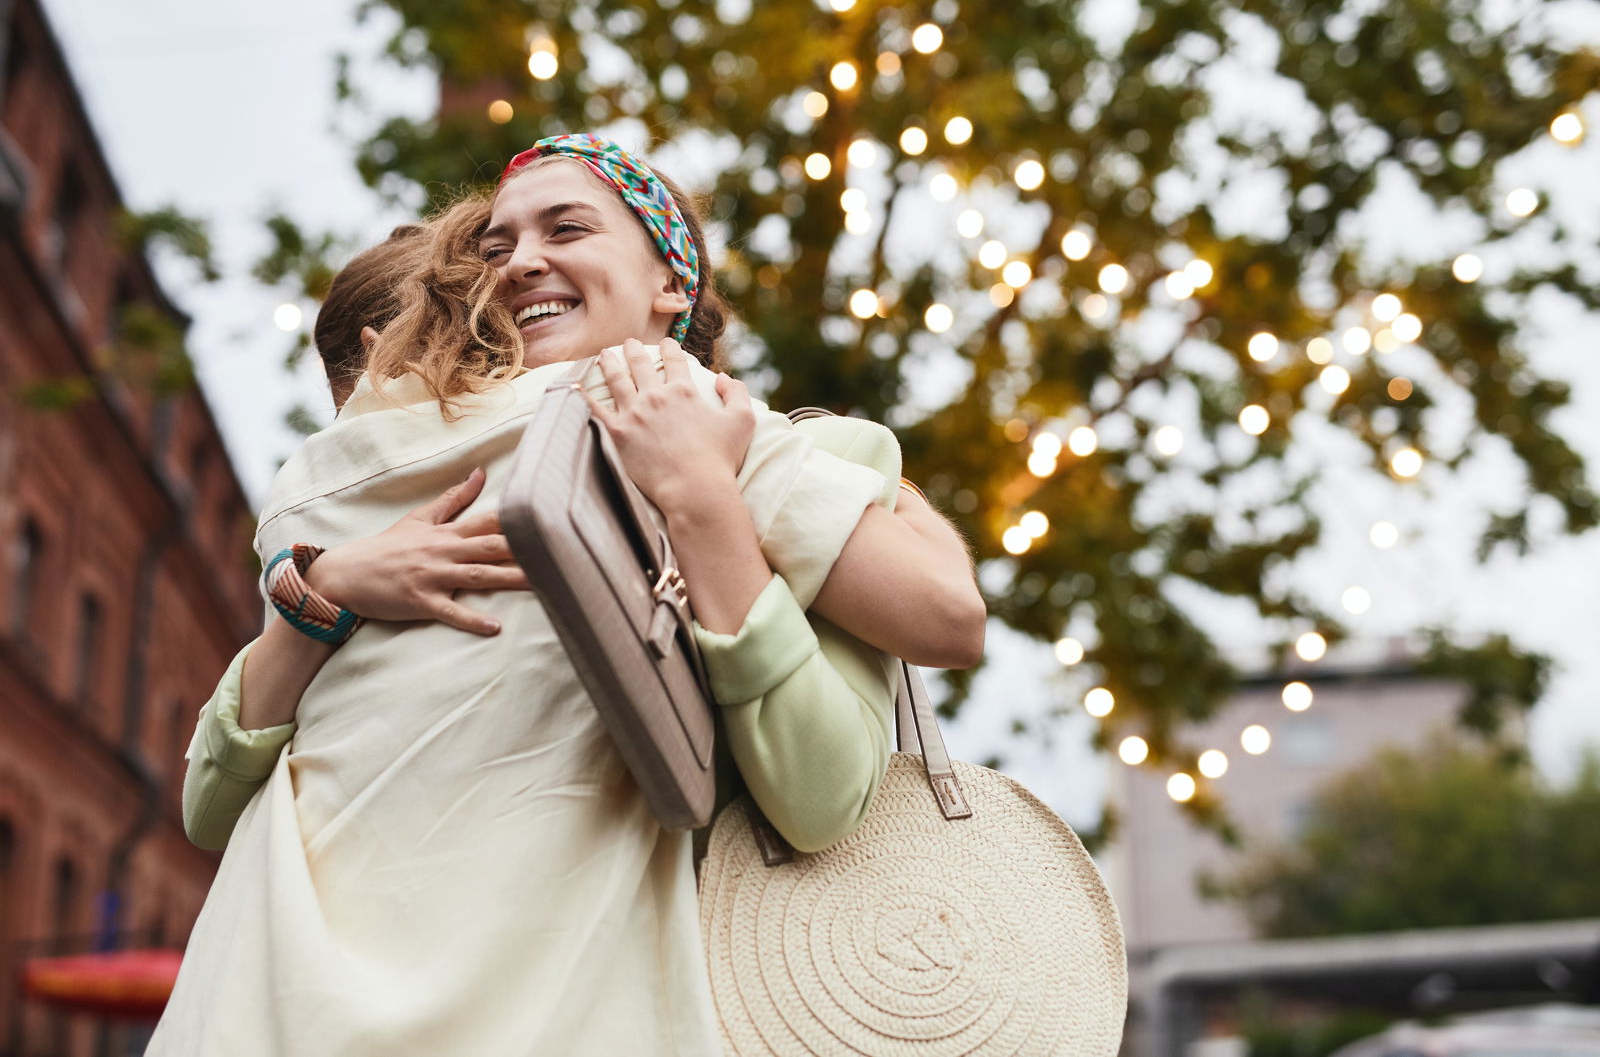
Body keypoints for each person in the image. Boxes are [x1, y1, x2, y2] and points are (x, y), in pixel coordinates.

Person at [150, 136, 984, 1055]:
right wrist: (326, 590)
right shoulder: (387, 472)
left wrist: (700, 494)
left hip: (513, 991)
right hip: (315, 986)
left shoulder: (762, 442)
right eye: (496, 248)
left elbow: (834, 777)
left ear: (673, 283)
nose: (522, 263)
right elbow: (209, 808)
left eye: (568, 227)